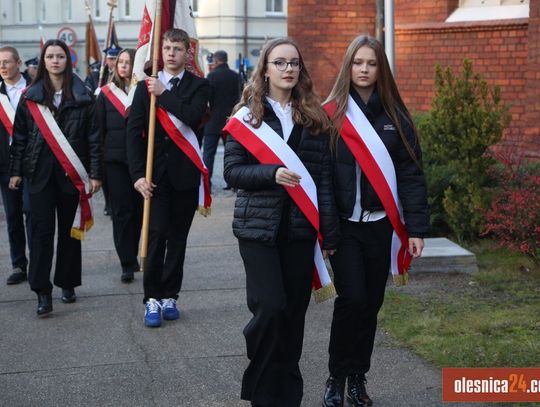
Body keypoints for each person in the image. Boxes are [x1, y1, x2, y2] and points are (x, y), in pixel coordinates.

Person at [223, 38, 340, 407]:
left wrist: (330, 232)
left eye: (294, 63)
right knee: (270, 308)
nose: (288, 69)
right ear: (266, 69)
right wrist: (270, 173)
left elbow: (323, 179)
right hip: (258, 230)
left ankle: (287, 396)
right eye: (280, 63)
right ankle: (260, 389)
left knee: (293, 318)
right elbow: (232, 172)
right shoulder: (247, 116)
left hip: (301, 233)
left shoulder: (315, 118)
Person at [321, 35, 429, 407]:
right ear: (348, 66)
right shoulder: (330, 114)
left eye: (371, 63)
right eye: (358, 63)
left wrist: (416, 228)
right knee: (351, 299)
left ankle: (357, 377)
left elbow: (412, 174)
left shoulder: (397, 117)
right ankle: (336, 376)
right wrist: (326, 228)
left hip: (381, 226)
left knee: (372, 303)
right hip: (345, 227)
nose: (364, 69)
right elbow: (321, 176)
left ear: (381, 69)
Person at [9, 39, 102, 316]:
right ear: (43, 60)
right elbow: (21, 138)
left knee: (70, 232)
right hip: (39, 176)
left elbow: (94, 139)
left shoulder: (84, 96)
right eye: (50, 56)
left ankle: (67, 283)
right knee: (40, 234)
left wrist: (96, 174)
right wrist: (15, 171)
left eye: (60, 56)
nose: (55, 61)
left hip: (71, 175)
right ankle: (42, 291)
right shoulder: (31, 96)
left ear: (67, 60)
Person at [127, 28, 210, 328]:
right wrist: (137, 175)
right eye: (167, 48)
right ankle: (151, 298)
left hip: (185, 176)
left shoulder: (200, 86)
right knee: (156, 235)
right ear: (160, 52)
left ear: (188, 52)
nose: (171, 53)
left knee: (178, 238)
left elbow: (192, 115)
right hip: (154, 177)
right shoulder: (144, 87)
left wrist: (164, 94)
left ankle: (170, 295)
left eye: (177, 48)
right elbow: (133, 134)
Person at [96, 48, 142, 283]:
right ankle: (126, 260)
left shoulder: (142, 92)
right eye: (120, 62)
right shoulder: (105, 94)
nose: (123, 65)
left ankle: (134, 252)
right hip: (114, 163)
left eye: (128, 62)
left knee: (139, 212)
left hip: (140, 162)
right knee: (122, 213)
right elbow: (99, 131)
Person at [0, 46, 31, 285]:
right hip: (6, 164)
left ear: (18, 63)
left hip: (32, 162)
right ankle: (19, 264)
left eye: (7, 62)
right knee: (12, 217)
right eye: (0, 62)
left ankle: (39, 261)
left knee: (32, 213)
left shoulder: (33, 88)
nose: (2, 67)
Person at [203, 50, 240, 190]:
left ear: (217, 61)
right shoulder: (235, 76)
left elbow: (208, 98)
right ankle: (233, 183)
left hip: (212, 121)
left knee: (208, 154)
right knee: (231, 154)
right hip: (231, 122)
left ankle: (207, 183)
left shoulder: (211, 76)